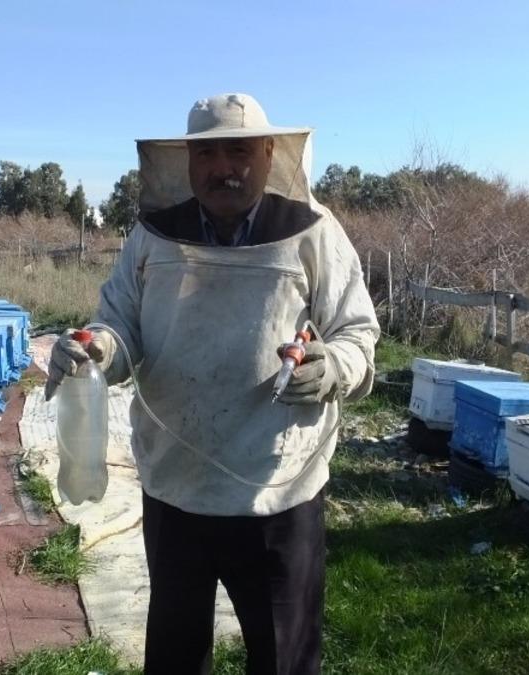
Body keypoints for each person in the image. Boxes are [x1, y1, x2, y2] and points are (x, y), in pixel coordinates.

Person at [44, 93, 380, 674]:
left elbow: (356, 330)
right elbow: (120, 322)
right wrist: (96, 347)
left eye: (240, 150)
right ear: (187, 162)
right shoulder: (153, 234)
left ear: (270, 153)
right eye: (209, 154)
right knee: (175, 651)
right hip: (177, 486)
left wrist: (333, 368)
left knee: (283, 657)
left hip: (278, 490)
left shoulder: (313, 230)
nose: (224, 167)